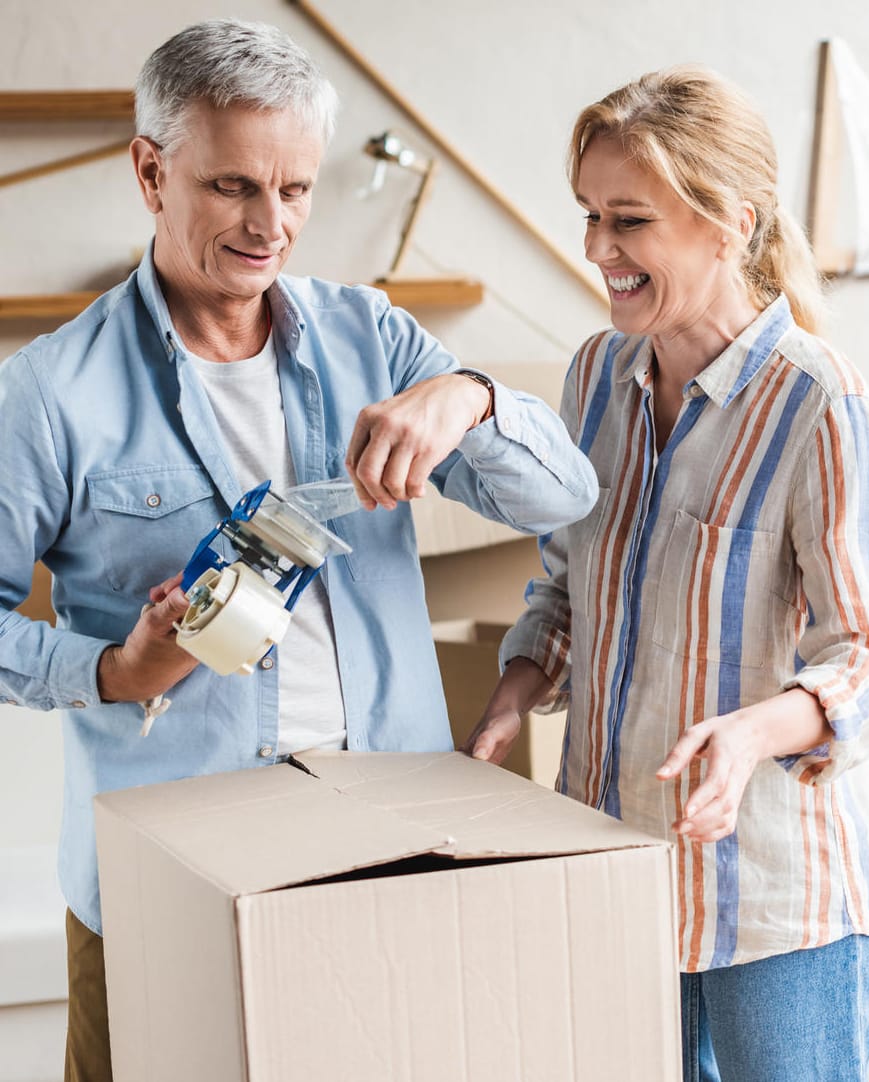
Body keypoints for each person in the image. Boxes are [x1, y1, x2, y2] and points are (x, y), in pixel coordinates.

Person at [0, 20, 596, 1081]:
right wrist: (110, 669)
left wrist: (468, 397)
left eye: (295, 190)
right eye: (232, 186)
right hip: (164, 878)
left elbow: (564, 492)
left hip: (386, 850)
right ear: (150, 169)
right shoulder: (50, 391)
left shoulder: (377, 337)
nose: (270, 224)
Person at [465, 66, 869, 1081]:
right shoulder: (594, 376)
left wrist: (752, 731)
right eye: (589, 215)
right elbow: (569, 582)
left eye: (629, 220)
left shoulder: (819, 403)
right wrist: (521, 685)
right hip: (616, 876)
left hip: (775, 908)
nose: (596, 250)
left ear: (727, 224)